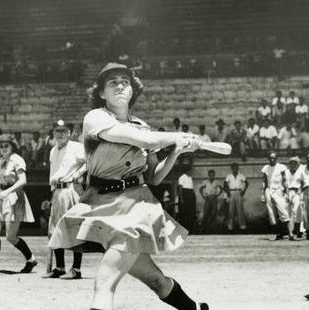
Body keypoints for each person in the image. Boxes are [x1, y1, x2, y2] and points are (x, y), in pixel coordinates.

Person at [48, 63, 208, 310]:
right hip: (101, 205)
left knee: (104, 282)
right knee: (157, 281)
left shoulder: (143, 126)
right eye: (113, 82)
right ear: (102, 93)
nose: (120, 85)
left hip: (135, 206)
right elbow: (135, 138)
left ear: (133, 90)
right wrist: (175, 136)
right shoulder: (95, 118)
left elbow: (154, 177)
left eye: (125, 82)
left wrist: (175, 152)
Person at [0, 134, 37, 275]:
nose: (3, 148)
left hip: (15, 198)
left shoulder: (17, 160)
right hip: (2, 196)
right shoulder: (1, 161)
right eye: (1, 146)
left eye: (6, 145)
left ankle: (31, 259)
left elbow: (23, 181)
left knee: (11, 236)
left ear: (12, 146)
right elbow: (2, 182)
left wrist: (7, 192)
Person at [43, 119, 87, 280]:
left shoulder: (77, 147)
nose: (60, 134)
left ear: (69, 132)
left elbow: (90, 162)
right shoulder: (53, 151)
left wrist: (78, 173)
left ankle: (76, 269)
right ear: (54, 133)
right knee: (54, 230)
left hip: (71, 190)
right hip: (57, 191)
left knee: (74, 229)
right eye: (57, 131)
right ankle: (60, 267)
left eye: (63, 131)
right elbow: (53, 174)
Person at [261, 152, 292, 240]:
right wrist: (262, 194)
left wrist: (287, 192)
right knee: (271, 213)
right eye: (270, 158)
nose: (272, 159)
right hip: (269, 190)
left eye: (274, 158)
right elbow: (264, 181)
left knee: (283, 211)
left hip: (278, 190)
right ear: (268, 158)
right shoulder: (265, 168)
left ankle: (290, 233)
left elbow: (285, 180)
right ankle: (276, 234)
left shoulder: (281, 167)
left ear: (276, 158)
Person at [224, 163, 248, 232]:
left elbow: (247, 183)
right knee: (231, 210)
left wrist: (244, 191)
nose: (235, 169)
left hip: (238, 192)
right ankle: (230, 226)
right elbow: (225, 184)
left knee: (240, 209)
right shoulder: (229, 176)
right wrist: (228, 192)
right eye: (233, 168)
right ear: (231, 169)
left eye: (236, 168)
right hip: (231, 192)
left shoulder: (241, 175)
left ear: (238, 168)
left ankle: (242, 226)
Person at [286, 156, 303, 239]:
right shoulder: (285, 172)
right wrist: (286, 193)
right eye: (291, 163)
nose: (293, 165)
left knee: (297, 211)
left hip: (297, 192)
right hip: (288, 192)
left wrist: (300, 190)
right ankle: (290, 233)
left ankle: (298, 231)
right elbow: (283, 183)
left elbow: (303, 182)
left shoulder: (300, 172)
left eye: (294, 163)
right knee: (289, 213)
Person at [178, 166, 197, 232]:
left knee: (191, 212)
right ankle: (184, 228)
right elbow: (180, 189)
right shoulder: (182, 177)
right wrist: (181, 199)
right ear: (187, 171)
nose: (191, 172)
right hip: (185, 194)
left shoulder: (190, 177)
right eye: (190, 171)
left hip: (191, 194)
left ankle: (190, 228)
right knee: (185, 212)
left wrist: (194, 196)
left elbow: (191, 188)